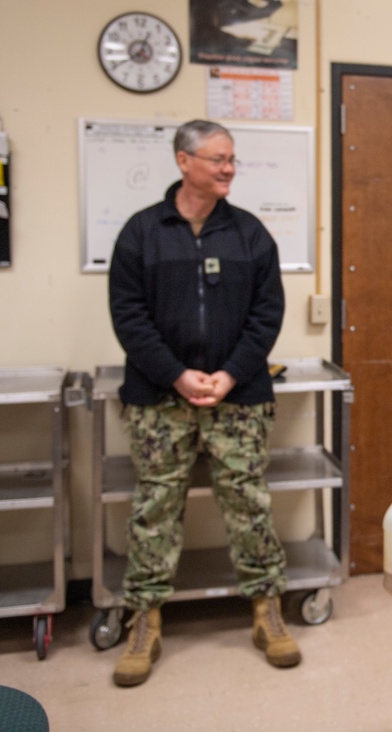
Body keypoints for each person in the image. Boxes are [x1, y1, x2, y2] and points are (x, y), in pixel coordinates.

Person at [108, 119, 298, 687]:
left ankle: (268, 611)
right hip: (158, 398)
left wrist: (230, 375)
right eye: (218, 159)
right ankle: (145, 619)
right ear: (183, 161)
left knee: (248, 502)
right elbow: (129, 317)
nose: (228, 169)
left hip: (237, 397)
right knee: (155, 507)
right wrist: (177, 376)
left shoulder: (250, 235)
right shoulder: (142, 233)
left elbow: (268, 314)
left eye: (232, 159)